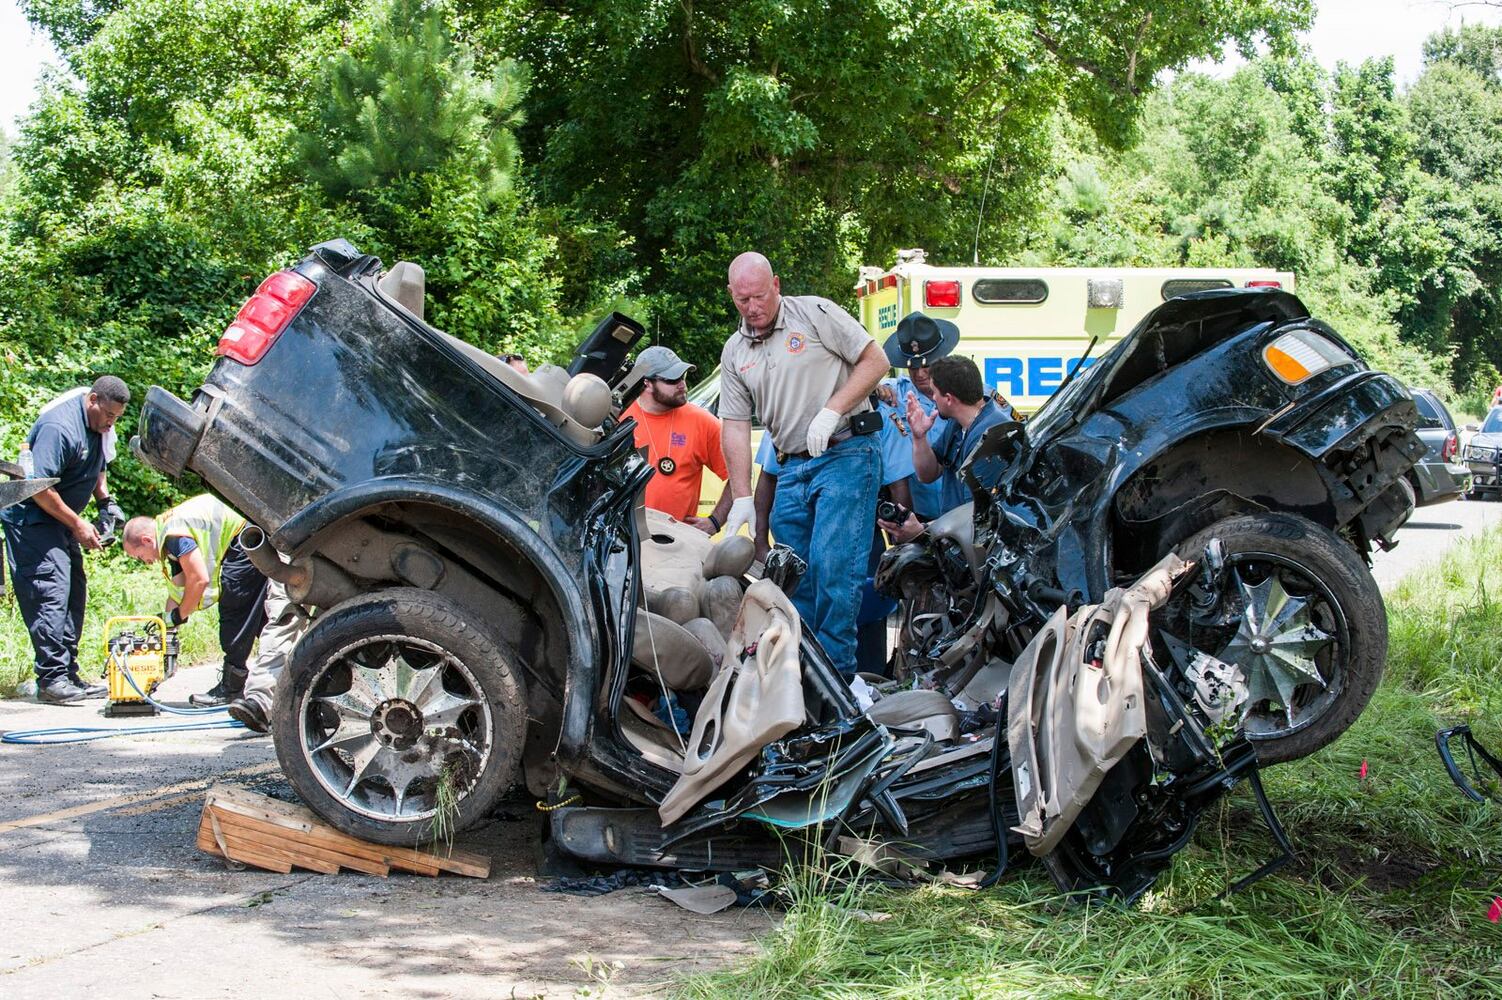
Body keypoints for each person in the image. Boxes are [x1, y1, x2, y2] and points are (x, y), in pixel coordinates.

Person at [719, 252, 889, 674]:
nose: (753, 307)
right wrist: (741, 495)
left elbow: (876, 360)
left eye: (759, 296)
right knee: (794, 577)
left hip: (845, 453)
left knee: (835, 570)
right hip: (791, 468)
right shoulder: (735, 351)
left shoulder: (814, 313)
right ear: (731, 296)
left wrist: (834, 408)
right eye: (743, 300)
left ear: (776, 284)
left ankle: (839, 682)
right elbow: (735, 424)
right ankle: (804, 677)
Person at [0, 376, 130, 703]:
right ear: (93, 400)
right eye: (109, 416)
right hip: (33, 518)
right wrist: (79, 525)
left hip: (61, 521)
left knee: (74, 589)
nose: (111, 423)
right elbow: (39, 487)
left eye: (116, 418)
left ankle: (68, 673)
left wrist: (105, 503)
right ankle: (51, 679)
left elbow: (97, 468)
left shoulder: (100, 426)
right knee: (50, 590)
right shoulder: (58, 428)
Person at [122, 495, 268, 707]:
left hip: (243, 538)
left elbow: (199, 579)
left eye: (138, 556)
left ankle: (231, 688)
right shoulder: (167, 534)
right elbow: (178, 591)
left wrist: (179, 615)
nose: (144, 562)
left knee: (235, 611)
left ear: (146, 540)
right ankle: (290, 670)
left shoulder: (174, 535)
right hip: (245, 533)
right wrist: (167, 628)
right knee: (259, 618)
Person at [882, 356, 1012, 543]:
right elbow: (928, 474)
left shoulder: (990, 438)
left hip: (978, 548)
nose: (932, 398)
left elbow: (974, 515)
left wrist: (921, 530)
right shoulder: (957, 423)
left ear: (949, 399)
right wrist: (920, 437)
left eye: (935, 393)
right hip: (956, 537)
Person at [621, 345, 733, 531]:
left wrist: (715, 521)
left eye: (683, 377)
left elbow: (739, 477)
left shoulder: (703, 422)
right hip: (624, 540)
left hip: (676, 543)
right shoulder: (620, 420)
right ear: (647, 383)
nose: (682, 385)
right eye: (672, 380)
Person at [878, 312, 961, 520]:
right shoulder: (894, 395)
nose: (920, 374)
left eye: (926, 365)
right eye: (913, 367)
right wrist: (875, 388)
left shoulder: (972, 392)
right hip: (922, 516)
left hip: (966, 512)